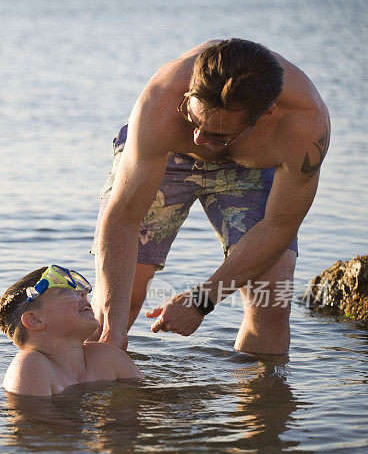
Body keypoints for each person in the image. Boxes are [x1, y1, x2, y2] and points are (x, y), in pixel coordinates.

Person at [92, 38, 330, 355]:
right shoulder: (163, 100)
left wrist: (203, 300)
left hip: (252, 167)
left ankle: (262, 401)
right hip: (165, 157)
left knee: (270, 298)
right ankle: (89, 394)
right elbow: (123, 218)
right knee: (120, 302)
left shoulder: (304, 126)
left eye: (215, 133)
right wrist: (111, 331)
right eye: (192, 119)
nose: (198, 138)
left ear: (266, 114)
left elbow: (278, 228)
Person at [0, 265, 142, 396]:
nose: (83, 294)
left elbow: (138, 405)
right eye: (64, 291)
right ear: (35, 320)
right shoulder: (32, 365)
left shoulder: (106, 356)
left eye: (81, 291)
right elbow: (35, 422)